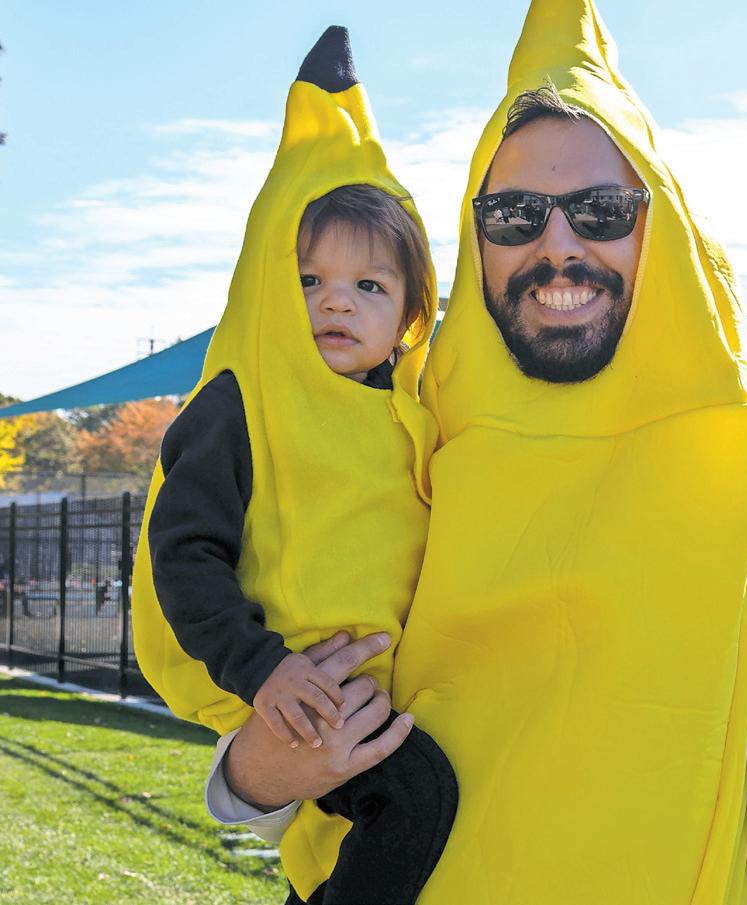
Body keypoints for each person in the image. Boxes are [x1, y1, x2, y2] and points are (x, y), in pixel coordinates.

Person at [210, 2, 747, 903]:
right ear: (476, 239)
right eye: (514, 215)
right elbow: (281, 759)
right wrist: (255, 773)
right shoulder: (405, 455)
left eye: (601, 210)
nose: (559, 246)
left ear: (660, 226)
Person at [132, 27, 457, 904]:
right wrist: (263, 668)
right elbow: (183, 554)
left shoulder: (416, 417)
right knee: (413, 801)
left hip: (383, 692)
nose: (335, 302)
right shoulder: (240, 403)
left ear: (412, 313)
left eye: (368, 285)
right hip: (298, 688)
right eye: (308, 280)